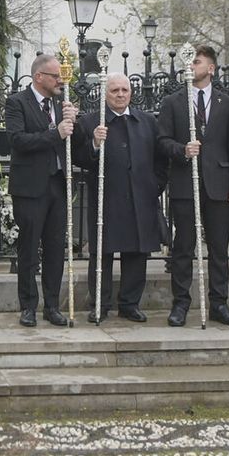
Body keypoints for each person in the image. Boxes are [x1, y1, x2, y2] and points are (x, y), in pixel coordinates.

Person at [156, 45, 229, 327]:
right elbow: (161, 141)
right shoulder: (173, 102)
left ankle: (219, 303)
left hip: (219, 184)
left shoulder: (226, 103)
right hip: (186, 184)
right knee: (184, 246)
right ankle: (181, 303)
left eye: (196, 62)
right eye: (189, 62)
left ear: (210, 68)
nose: (191, 66)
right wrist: (182, 150)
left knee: (219, 247)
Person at [3, 54, 88, 327]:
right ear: (39, 77)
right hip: (30, 187)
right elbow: (18, 140)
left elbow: (74, 142)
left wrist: (74, 122)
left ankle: (52, 306)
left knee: (55, 248)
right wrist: (56, 133)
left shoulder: (61, 104)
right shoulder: (17, 102)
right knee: (29, 248)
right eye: (55, 76)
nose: (61, 80)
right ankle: (28, 306)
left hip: (58, 184)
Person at [82, 72, 165, 322]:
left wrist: (154, 186)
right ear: (105, 94)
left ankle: (130, 304)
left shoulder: (147, 121)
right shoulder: (90, 122)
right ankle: (100, 303)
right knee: (102, 252)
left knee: (137, 252)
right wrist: (94, 143)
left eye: (124, 90)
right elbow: (79, 159)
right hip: (106, 198)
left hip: (140, 196)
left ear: (131, 93)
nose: (120, 95)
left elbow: (161, 159)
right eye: (114, 90)